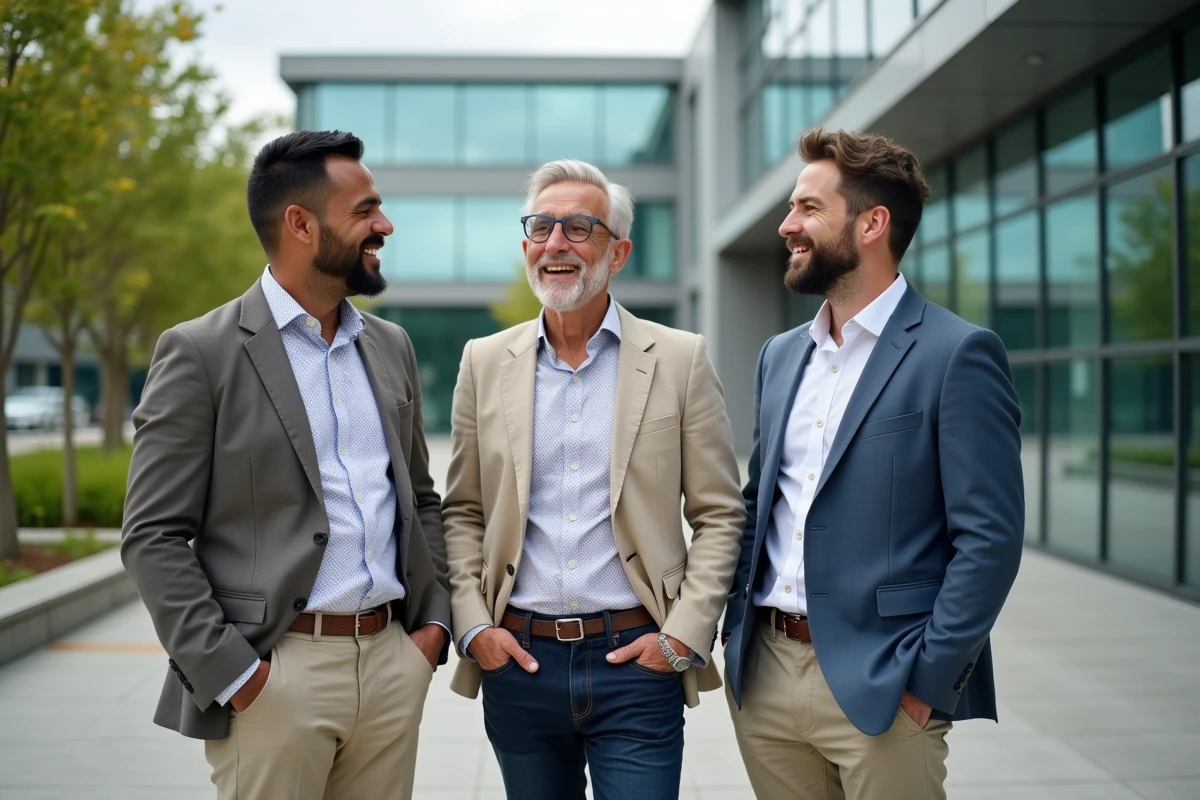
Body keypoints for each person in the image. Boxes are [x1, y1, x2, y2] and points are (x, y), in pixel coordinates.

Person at [120, 130, 450, 800]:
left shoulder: (390, 346)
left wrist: (431, 631)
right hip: (275, 675)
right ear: (300, 224)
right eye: (364, 211)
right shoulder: (199, 353)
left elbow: (420, 499)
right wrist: (238, 677)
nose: (383, 225)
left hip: (391, 663)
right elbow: (152, 536)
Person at [722, 127, 1024, 800]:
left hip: (886, 685)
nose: (786, 225)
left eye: (807, 208)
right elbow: (757, 504)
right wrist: (733, 634)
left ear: (871, 224)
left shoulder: (958, 354)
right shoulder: (780, 355)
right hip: (765, 675)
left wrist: (928, 682)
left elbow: (990, 539)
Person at [442, 159, 746, 800]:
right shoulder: (484, 361)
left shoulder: (680, 359)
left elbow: (720, 514)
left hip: (637, 664)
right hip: (519, 663)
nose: (556, 243)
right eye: (541, 226)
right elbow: (463, 510)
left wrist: (683, 636)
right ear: (526, 244)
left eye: (580, 227)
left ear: (619, 251)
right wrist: (474, 628)